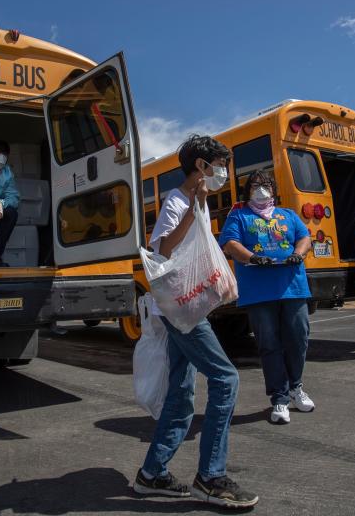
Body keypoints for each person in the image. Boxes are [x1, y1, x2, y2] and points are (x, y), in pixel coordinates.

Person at [133, 134, 258, 509]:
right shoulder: (177, 201)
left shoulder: (196, 202)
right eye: (219, 165)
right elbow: (164, 250)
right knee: (226, 378)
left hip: (189, 309)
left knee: (181, 396)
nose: (224, 172)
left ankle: (152, 474)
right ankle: (211, 477)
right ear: (201, 166)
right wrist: (195, 206)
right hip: (179, 314)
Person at [219, 169, 315, 425]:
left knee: (298, 338)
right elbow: (230, 244)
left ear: (274, 189)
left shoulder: (288, 215)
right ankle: (279, 399)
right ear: (247, 190)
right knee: (269, 345)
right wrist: (253, 258)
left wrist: (299, 253)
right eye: (255, 185)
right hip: (258, 292)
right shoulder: (238, 216)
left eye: (265, 185)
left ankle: (296, 387)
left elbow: (305, 237)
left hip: (293, 287)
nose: (260, 189)